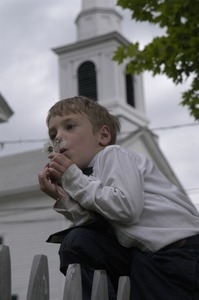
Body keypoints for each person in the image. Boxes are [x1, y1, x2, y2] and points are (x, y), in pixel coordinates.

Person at [38, 96, 199, 300]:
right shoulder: (89, 178)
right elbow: (99, 224)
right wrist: (63, 197)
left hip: (180, 253)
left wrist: (72, 177)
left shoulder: (112, 155)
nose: (59, 138)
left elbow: (126, 209)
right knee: (77, 241)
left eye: (69, 127)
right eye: (54, 135)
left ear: (104, 135)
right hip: (148, 259)